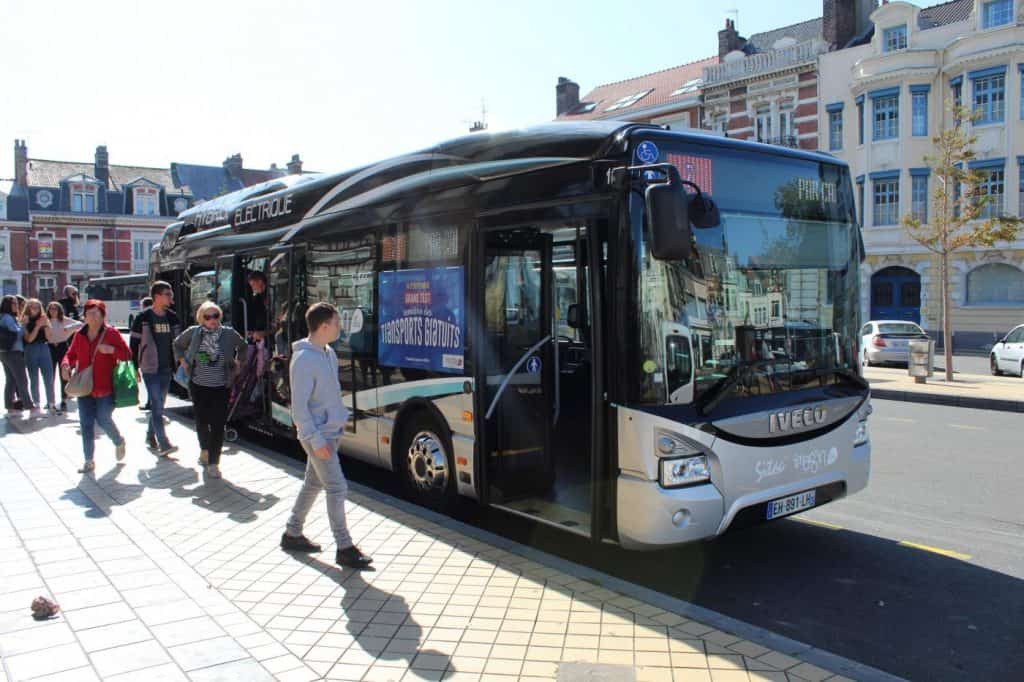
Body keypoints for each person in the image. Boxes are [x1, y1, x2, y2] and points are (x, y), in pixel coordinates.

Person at [280, 302, 372, 569]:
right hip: (317, 436)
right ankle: (344, 547)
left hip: (330, 431)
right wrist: (316, 440)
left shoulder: (328, 353)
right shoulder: (304, 360)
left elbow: (327, 395)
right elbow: (299, 408)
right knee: (337, 487)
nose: (340, 328)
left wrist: (340, 416)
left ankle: (292, 533)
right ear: (323, 327)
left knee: (313, 483)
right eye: (336, 323)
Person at [173, 301, 247, 479]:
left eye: (215, 316)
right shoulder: (194, 332)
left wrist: (238, 363)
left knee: (218, 425)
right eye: (208, 316)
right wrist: (183, 362)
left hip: (221, 386)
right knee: (201, 421)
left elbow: (243, 346)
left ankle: (214, 463)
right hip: (198, 385)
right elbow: (177, 344)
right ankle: (204, 449)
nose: (212, 320)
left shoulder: (228, 334)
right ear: (201, 318)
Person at [61, 300, 130, 473]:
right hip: (85, 388)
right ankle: (89, 460)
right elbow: (70, 354)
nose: (93, 316)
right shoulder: (79, 335)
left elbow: (127, 354)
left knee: (103, 419)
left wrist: (112, 351)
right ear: (84, 316)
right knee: (85, 424)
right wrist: (66, 365)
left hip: (105, 387)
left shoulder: (111, 333)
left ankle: (118, 440)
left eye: (97, 313)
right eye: (89, 313)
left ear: (103, 315)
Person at [130, 281, 180, 456]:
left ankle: (150, 436)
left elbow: (179, 341)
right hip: (149, 368)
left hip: (167, 367)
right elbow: (134, 344)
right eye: (168, 294)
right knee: (157, 404)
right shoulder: (142, 318)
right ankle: (163, 443)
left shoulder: (172, 316)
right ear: (157, 296)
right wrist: (134, 367)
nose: (170, 297)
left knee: (159, 404)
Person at [44, 301, 83, 415]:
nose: (53, 311)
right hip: (50, 347)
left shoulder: (64, 319)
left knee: (63, 375)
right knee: (50, 375)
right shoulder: (46, 320)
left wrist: (68, 329)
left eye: (55, 309)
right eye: (51, 308)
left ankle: (64, 400)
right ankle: (50, 400)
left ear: (59, 310)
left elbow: (80, 324)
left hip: (62, 346)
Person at [21, 298, 56, 416]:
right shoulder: (25, 320)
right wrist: (37, 326)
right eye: (31, 307)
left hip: (44, 348)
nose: (34, 309)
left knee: (49, 377)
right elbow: (29, 339)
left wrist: (45, 325)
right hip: (31, 349)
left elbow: (50, 338)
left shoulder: (44, 319)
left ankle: (51, 403)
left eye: (37, 307)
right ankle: (36, 403)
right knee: (34, 378)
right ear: (27, 308)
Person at [1, 295, 33, 415]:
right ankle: (28, 405)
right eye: (14, 303)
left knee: (11, 380)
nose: (17, 306)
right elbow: (17, 334)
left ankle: (9, 405)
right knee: (21, 379)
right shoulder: (8, 318)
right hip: (13, 352)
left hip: (4, 352)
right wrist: (23, 324)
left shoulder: (3, 317)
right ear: (8, 305)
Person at [135, 296, 154, 411]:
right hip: (149, 357)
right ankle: (151, 403)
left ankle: (150, 403)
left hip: (146, 357)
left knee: (150, 383)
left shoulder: (142, 319)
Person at [245, 271, 269, 336]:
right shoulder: (257, 298)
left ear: (260, 281)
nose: (252, 288)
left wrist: (263, 333)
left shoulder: (272, 294)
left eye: (253, 285)